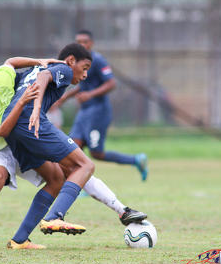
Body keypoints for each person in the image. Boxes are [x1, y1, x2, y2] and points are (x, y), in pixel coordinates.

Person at [2, 43, 144, 248]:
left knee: (56, 178)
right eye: (85, 67)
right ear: (71, 61)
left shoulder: (34, 69)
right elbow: (44, 79)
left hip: (11, 125)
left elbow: (10, 70)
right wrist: (36, 108)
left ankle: (19, 239)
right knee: (85, 165)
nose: (85, 75)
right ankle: (54, 217)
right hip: (30, 121)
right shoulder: (64, 68)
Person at [0, 56, 66, 250]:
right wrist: (22, 101)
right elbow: (2, 131)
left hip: (19, 145)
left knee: (64, 172)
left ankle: (121, 210)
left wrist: (39, 61)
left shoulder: (0, 80)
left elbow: (10, 62)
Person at [52, 30, 149, 181]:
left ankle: (135, 160)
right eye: (78, 41)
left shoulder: (97, 60)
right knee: (73, 148)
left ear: (91, 43)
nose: (81, 44)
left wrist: (90, 95)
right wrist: (64, 98)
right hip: (84, 112)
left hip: (98, 112)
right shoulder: (80, 62)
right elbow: (83, 85)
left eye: (84, 41)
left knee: (96, 153)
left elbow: (111, 83)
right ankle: (81, 183)